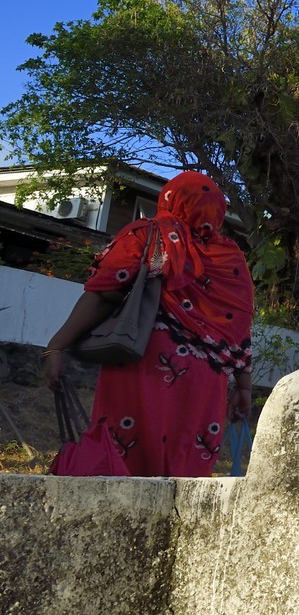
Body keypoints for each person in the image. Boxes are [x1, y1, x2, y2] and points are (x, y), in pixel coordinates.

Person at [42, 171, 255, 476]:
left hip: (143, 359)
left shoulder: (150, 235)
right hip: (206, 378)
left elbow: (106, 291)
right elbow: (239, 326)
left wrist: (56, 346)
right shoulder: (230, 259)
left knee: (124, 458)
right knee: (184, 470)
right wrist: (243, 386)